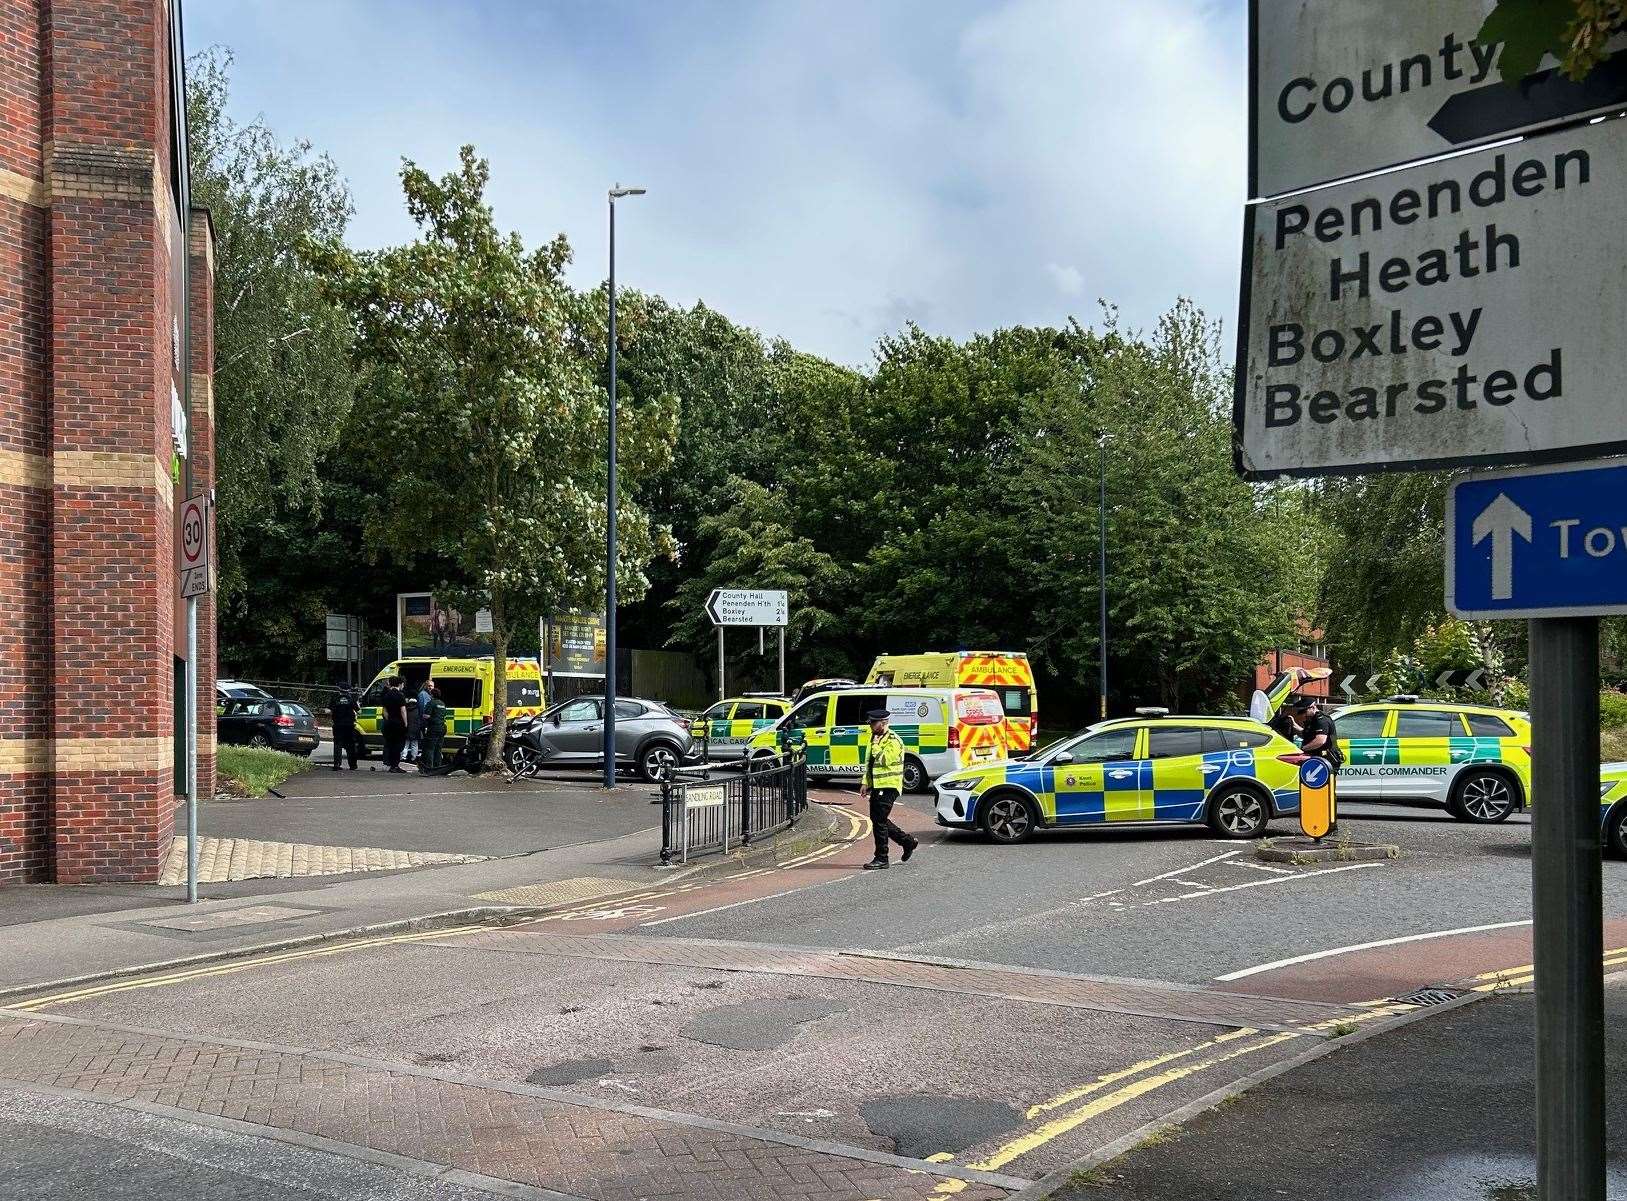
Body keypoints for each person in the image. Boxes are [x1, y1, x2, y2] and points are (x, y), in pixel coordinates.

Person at [858, 707, 918, 870]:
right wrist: (865, 782)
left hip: (889, 785)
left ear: (883, 723)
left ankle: (882, 858)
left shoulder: (894, 740)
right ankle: (907, 842)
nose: (870, 725)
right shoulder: (874, 737)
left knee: (879, 821)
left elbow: (884, 760)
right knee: (879, 820)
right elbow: (869, 763)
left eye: (873, 723)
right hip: (878, 785)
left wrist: (876, 746)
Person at [381, 675, 408, 773]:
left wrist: (389, 720)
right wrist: (405, 723)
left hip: (389, 723)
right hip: (398, 723)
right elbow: (403, 711)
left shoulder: (386, 695)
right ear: (400, 684)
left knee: (390, 744)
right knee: (398, 745)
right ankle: (395, 766)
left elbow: (384, 711)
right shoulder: (400, 695)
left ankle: (391, 765)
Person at [330, 685, 360, 771]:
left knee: (337, 744)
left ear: (339, 691)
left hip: (338, 725)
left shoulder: (335, 699)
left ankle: (337, 764)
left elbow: (328, 710)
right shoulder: (351, 699)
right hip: (349, 725)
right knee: (350, 745)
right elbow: (358, 710)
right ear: (348, 690)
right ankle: (353, 765)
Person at [420, 682, 447, 772]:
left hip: (433, 728)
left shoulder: (431, 703)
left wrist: (428, 717)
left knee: (429, 748)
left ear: (432, 694)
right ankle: (437, 767)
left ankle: (429, 768)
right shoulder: (442, 703)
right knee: (438, 749)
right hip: (442, 728)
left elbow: (426, 716)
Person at [404, 685, 423, 764]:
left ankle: (403, 757)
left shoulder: (405, 707)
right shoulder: (418, 707)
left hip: (407, 727)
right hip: (415, 728)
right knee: (415, 744)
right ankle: (413, 758)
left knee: (405, 744)